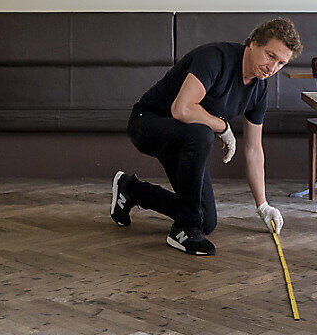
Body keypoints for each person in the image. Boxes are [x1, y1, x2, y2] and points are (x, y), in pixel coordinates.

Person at [109, 18, 303, 255]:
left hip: (186, 139)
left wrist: (262, 205)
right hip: (147, 123)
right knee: (202, 132)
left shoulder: (259, 88)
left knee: (207, 221)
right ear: (253, 44)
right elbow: (181, 109)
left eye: (281, 63)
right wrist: (223, 127)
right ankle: (183, 230)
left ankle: (132, 190)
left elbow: (253, 149)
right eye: (270, 56)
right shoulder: (216, 58)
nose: (272, 67)